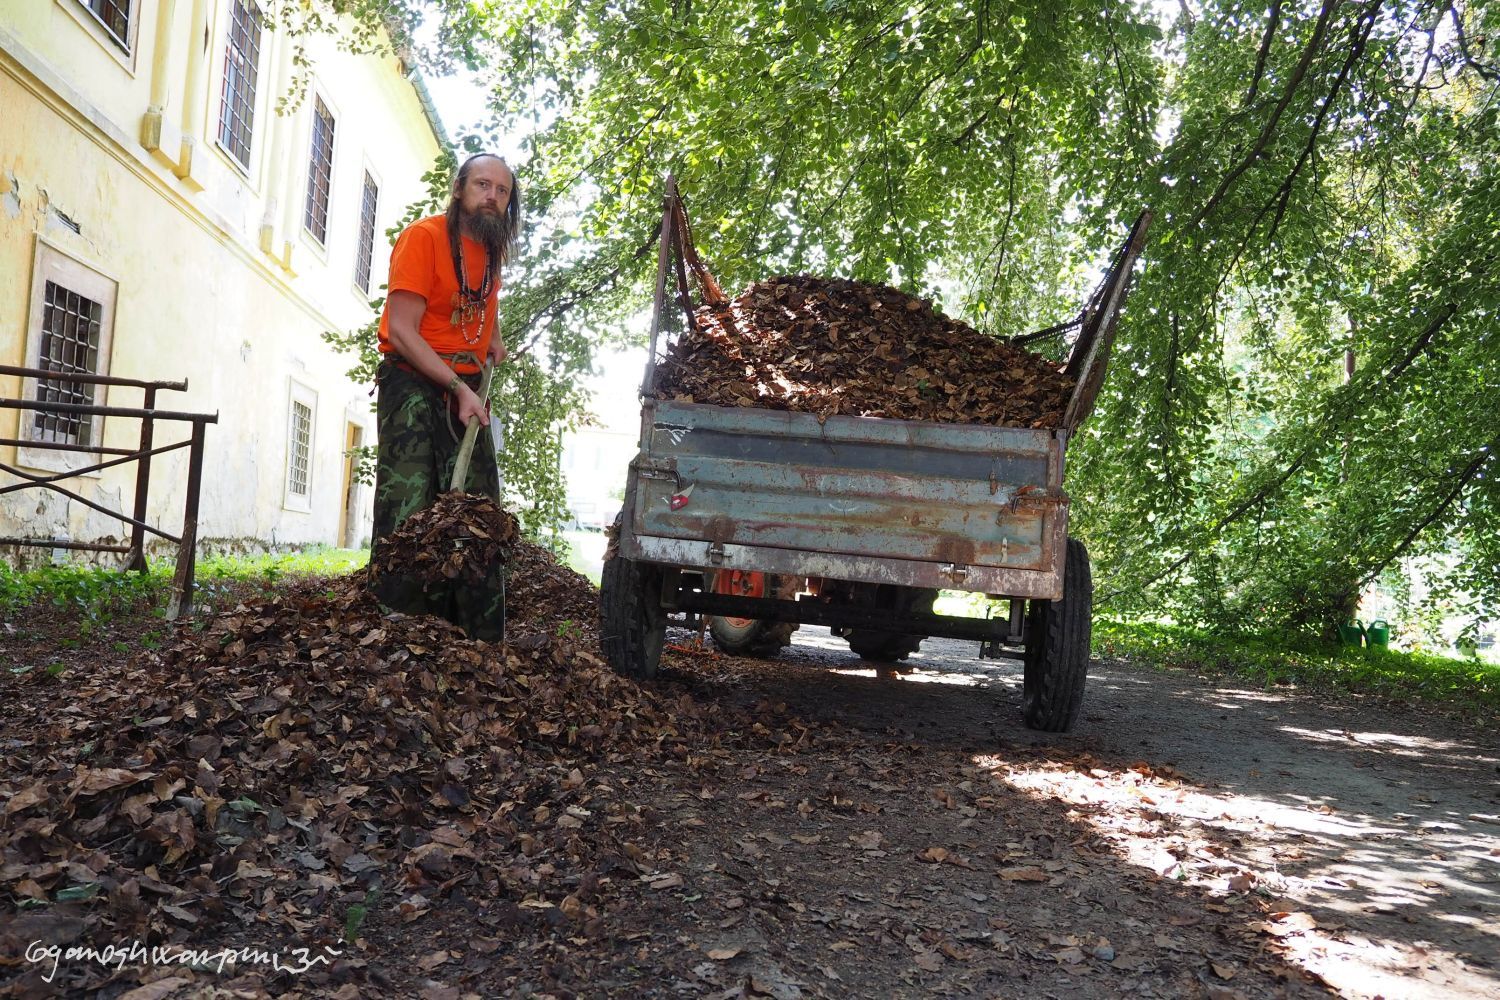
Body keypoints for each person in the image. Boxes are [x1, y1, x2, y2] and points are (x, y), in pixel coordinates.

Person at [369, 153, 520, 639]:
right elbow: (402, 330)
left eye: (502, 190)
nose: (492, 196)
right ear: (459, 190)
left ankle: (476, 640)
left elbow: (475, 303)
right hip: (413, 379)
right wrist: (455, 389)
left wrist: (491, 336)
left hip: (466, 385)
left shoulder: (492, 250)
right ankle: (398, 632)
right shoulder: (425, 238)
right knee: (410, 505)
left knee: (479, 508)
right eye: (482, 184)